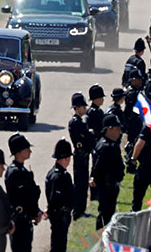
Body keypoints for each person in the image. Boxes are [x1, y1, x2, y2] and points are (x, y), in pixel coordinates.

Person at [4, 133, 44, 252]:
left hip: (26, 221)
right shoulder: (14, 173)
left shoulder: (22, 171)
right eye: (27, 149)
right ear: (18, 152)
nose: (30, 151)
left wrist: (36, 212)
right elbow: (23, 198)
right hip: (19, 221)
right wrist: (34, 212)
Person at [89, 115, 124, 229]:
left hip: (110, 185)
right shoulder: (106, 146)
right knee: (105, 215)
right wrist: (95, 178)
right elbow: (99, 166)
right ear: (109, 129)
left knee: (108, 213)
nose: (119, 132)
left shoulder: (109, 143)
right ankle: (100, 240)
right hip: (107, 185)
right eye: (116, 129)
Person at [127, 114, 151, 211]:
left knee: (137, 198)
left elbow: (140, 144)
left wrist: (133, 159)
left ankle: (135, 216)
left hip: (145, 167)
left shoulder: (148, 127)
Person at [45, 139, 73, 252]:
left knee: (58, 244)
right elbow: (54, 198)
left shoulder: (52, 173)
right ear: (66, 158)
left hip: (58, 216)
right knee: (59, 246)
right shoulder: (60, 176)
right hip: (60, 217)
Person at [67, 92, 92, 221]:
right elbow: (86, 138)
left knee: (83, 182)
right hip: (80, 154)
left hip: (84, 154)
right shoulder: (76, 123)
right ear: (77, 108)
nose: (85, 109)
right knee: (80, 183)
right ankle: (77, 210)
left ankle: (81, 209)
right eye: (82, 107)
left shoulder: (80, 122)